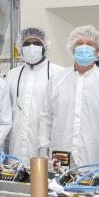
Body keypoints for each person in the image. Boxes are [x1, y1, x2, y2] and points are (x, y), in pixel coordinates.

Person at [39, 25, 99, 166]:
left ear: (98, 50)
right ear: (72, 48)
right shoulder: (57, 80)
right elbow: (46, 116)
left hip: (97, 158)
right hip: (61, 157)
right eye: (79, 43)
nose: (84, 47)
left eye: (90, 44)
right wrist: (43, 147)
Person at [6, 27, 66, 160]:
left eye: (37, 43)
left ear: (45, 46)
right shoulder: (12, 75)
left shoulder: (59, 74)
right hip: (17, 147)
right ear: (20, 48)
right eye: (26, 44)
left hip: (48, 147)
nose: (31, 47)